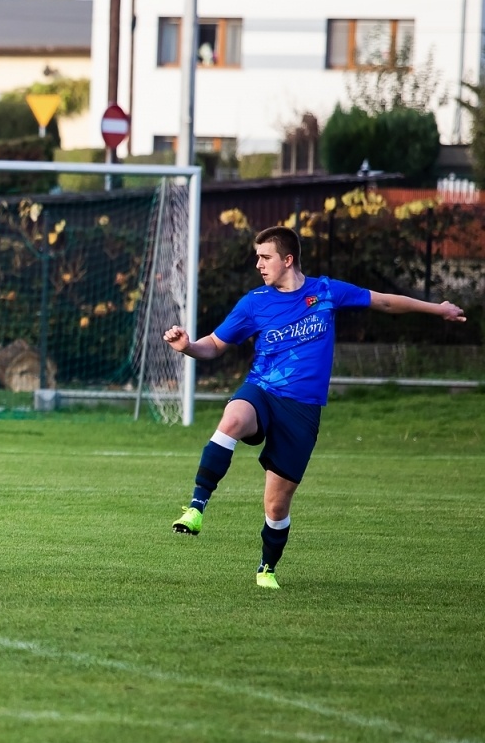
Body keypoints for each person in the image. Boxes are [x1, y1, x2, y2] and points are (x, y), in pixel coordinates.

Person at [164, 224, 465, 588]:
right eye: (257, 257)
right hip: (261, 390)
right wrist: (188, 347)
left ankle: (266, 568)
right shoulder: (254, 302)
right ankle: (197, 507)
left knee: (276, 505)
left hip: (303, 409)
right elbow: (213, 344)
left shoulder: (326, 292)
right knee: (233, 418)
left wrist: (439, 308)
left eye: (265, 257)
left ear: (288, 259)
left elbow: (384, 301)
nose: (258, 264)